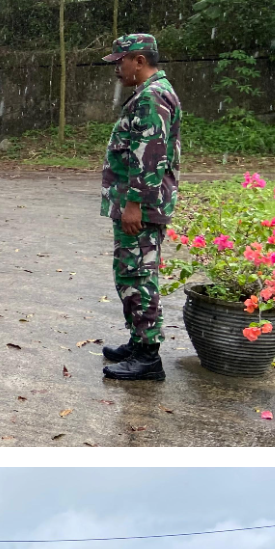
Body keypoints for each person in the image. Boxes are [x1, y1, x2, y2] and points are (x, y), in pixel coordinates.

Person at [98, 33, 182, 382]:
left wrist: (134, 204)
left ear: (139, 61)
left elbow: (149, 157)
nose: (117, 68)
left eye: (121, 61)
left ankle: (148, 356)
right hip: (138, 203)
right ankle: (139, 341)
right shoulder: (150, 93)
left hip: (141, 206)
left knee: (138, 275)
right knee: (130, 272)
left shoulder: (152, 97)